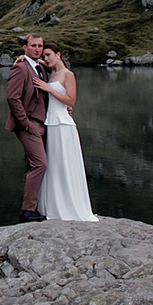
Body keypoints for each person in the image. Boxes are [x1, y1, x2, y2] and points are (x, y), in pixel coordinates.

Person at [29, 48, 97, 221]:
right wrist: (24, 56)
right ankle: (53, 206)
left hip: (63, 124)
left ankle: (69, 206)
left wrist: (48, 89)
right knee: (54, 165)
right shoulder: (51, 72)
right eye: (44, 56)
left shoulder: (68, 74)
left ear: (58, 54)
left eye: (49, 55)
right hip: (51, 122)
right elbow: (37, 61)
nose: (45, 58)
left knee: (65, 164)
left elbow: (71, 100)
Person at [3, 33, 51, 222]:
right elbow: (12, 98)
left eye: (40, 46)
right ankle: (27, 211)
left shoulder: (41, 67)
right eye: (33, 45)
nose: (37, 49)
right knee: (40, 164)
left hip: (41, 124)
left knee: (32, 164)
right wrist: (25, 123)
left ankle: (34, 206)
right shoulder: (20, 68)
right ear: (25, 47)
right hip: (27, 124)